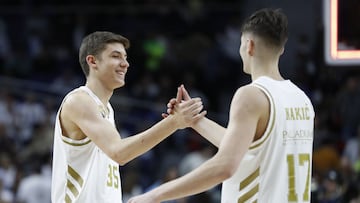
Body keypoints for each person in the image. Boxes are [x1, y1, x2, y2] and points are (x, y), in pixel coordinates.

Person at [128, 8, 315, 203]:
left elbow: (225, 165)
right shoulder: (301, 98)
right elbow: (242, 147)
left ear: (249, 46)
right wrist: (195, 121)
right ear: (282, 49)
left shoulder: (251, 95)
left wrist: (155, 194)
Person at [51, 31, 206, 203]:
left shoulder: (107, 109)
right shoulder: (79, 101)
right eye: (116, 56)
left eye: (125, 57)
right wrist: (173, 123)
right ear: (92, 61)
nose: (125, 64)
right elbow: (119, 153)